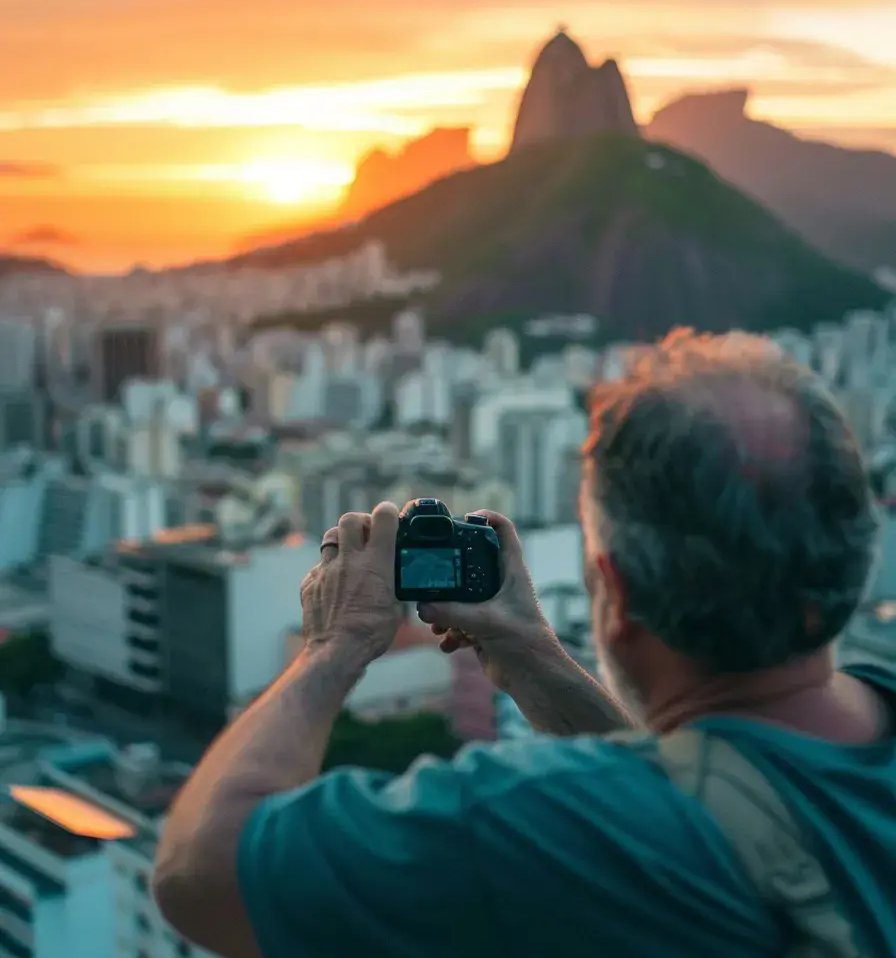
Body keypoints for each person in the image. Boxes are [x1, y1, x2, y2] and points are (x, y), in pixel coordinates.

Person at [152, 329, 896, 958]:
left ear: (617, 587)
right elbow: (710, 797)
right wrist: (533, 657)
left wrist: (333, 644)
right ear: (853, 552)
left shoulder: (533, 821)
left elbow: (201, 871)